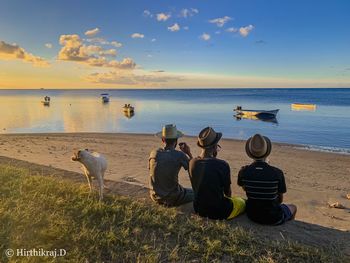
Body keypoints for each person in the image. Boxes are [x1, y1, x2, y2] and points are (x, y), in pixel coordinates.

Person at [237, 134, 297, 225]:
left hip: (252, 215)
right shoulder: (277, 172)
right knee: (293, 207)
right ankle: (289, 226)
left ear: (250, 153)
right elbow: (280, 200)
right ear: (267, 152)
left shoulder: (243, 171)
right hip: (273, 218)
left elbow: (246, 188)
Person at [189, 127, 246, 220]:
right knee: (242, 202)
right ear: (215, 146)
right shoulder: (222, 165)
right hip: (219, 211)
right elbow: (228, 193)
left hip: (198, 208)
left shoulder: (192, 162)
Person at [148, 124, 194, 206]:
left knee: (185, 190)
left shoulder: (154, 153)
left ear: (163, 140)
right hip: (172, 198)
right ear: (176, 141)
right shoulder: (179, 155)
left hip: (154, 196)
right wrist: (188, 153)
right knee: (196, 193)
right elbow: (195, 169)